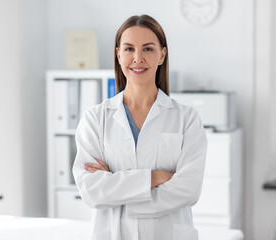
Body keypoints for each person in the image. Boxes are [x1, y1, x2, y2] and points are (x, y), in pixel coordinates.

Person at [72, 14, 207, 240]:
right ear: (118, 54)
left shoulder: (186, 119)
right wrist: (153, 178)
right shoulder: (95, 119)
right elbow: (91, 191)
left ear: (162, 54)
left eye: (147, 49)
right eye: (128, 49)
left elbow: (188, 189)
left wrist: (118, 194)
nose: (137, 58)